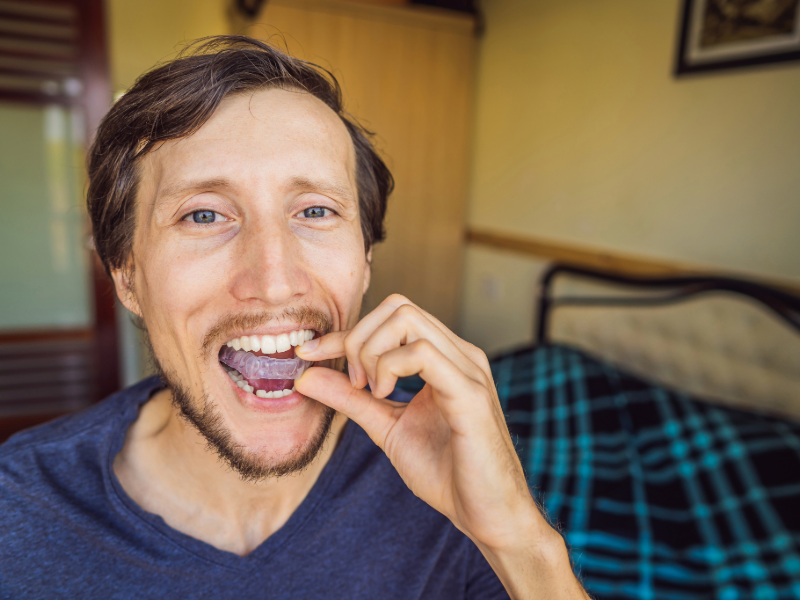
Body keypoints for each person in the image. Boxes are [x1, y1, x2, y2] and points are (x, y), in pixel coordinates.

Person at [0, 36, 588, 599]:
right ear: (127, 277)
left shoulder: (449, 473)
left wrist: (519, 540)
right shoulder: (16, 512)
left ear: (364, 261)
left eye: (315, 210)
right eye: (204, 215)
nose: (275, 281)